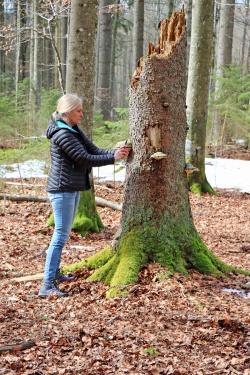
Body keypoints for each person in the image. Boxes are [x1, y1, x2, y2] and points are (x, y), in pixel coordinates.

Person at [39, 93, 129, 297]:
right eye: (78, 110)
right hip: (62, 189)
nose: (82, 114)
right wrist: (113, 158)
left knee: (62, 234)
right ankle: (47, 284)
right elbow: (84, 159)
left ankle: (55, 273)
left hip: (70, 188)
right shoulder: (62, 134)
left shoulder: (72, 129)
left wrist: (114, 152)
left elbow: (94, 150)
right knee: (60, 235)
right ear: (68, 112)